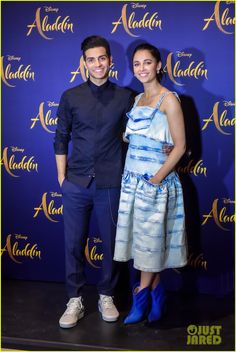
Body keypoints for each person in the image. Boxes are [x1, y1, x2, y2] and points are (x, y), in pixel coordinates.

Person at [54, 35, 134, 328]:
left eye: (102, 58)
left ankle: (106, 295)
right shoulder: (70, 96)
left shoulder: (126, 97)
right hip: (75, 182)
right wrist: (62, 178)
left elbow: (135, 136)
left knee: (112, 244)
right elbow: (61, 137)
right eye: (91, 59)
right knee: (73, 245)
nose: (97, 64)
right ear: (84, 63)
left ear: (111, 61)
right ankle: (74, 299)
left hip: (111, 183)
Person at [113, 43, 188, 324]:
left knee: (149, 244)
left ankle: (141, 299)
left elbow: (180, 147)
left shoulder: (169, 99)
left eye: (147, 63)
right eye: (136, 64)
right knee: (144, 244)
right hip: (132, 181)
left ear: (158, 66)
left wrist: (156, 179)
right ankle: (157, 297)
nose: (142, 68)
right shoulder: (137, 101)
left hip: (155, 182)